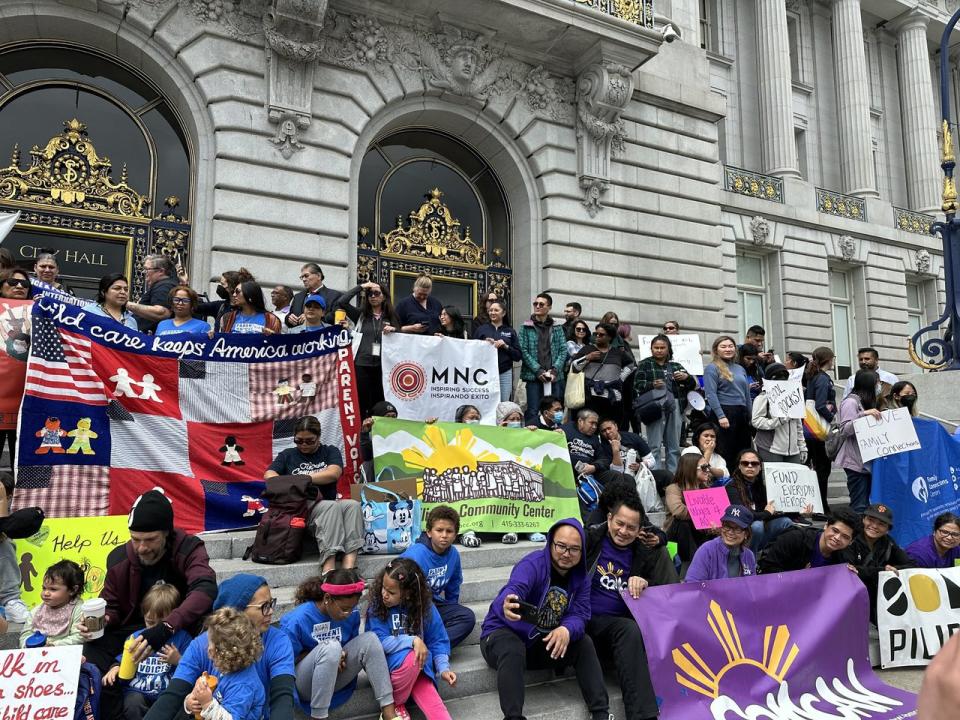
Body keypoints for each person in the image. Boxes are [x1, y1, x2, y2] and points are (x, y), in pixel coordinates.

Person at [85, 489, 217, 720]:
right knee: (92, 648)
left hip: (179, 627)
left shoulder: (189, 548)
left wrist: (166, 627)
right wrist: (104, 619)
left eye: (150, 540)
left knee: (213, 632)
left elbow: (205, 589)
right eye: (135, 540)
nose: (142, 548)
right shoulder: (119, 558)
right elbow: (113, 606)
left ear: (167, 533)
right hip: (134, 628)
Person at [480, 518, 613, 720]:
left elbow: (580, 614)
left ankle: (601, 713)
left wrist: (566, 629)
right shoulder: (533, 564)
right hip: (501, 637)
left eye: (574, 549)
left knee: (584, 642)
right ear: (551, 543)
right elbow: (514, 589)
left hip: (540, 643)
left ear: (582, 551)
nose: (566, 554)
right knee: (512, 647)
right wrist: (506, 604)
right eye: (561, 546)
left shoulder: (582, 578)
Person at [146, 574, 295, 720]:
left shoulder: (278, 641)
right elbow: (173, 695)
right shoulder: (202, 643)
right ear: (236, 613)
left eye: (271, 604)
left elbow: (282, 697)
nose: (270, 611)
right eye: (264, 606)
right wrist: (189, 702)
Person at [585, 488, 675, 720]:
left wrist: (644, 585)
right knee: (627, 630)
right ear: (609, 518)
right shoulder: (589, 541)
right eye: (619, 523)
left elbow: (659, 603)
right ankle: (643, 716)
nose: (623, 531)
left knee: (631, 629)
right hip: (587, 623)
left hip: (623, 628)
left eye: (631, 527)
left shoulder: (645, 553)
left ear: (639, 530)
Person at [279, 571, 401, 720]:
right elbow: (284, 665)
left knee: (370, 640)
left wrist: (340, 655)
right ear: (327, 598)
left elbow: (350, 647)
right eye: (344, 609)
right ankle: (319, 717)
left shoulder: (352, 614)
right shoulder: (297, 620)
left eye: (353, 607)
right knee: (331, 648)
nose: (348, 614)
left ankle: (389, 712)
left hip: (335, 674)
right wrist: (327, 654)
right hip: (304, 684)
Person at [264, 416, 358, 574]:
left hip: (326, 506)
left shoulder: (330, 451)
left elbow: (333, 473)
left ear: (319, 437)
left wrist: (301, 479)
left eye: (309, 441)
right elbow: (269, 475)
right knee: (331, 506)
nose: (304, 445)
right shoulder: (288, 455)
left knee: (353, 505)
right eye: (299, 441)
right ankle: (329, 568)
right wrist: (302, 481)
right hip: (301, 509)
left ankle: (349, 566)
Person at [367, 558, 456, 720]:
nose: (384, 594)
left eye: (391, 592)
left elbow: (438, 640)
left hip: (420, 667)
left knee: (440, 714)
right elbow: (377, 641)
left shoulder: (425, 605)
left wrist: (443, 668)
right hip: (389, 667)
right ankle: (395, 705)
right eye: (383, 588)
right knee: (412, 657)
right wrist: (412, 640)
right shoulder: (377, 605)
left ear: (408, 594)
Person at [101, 584, 193, 720]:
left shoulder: (182, 638)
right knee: (132, 703)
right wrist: (115, 667)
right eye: (150, 622)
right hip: (138, 691)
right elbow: (123, 658)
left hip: (167, 692)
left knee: (180, 706)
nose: (154, 630)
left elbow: (193, 666)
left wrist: (178, 660)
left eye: (160, 624)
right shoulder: (136, 637)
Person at [401, 506, 475, 649]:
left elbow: (453, 586)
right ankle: (423, 647)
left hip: (432, 603)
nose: (444, 535)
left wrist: (452, 608)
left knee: (467, 617)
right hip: (410, 606)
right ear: (429, 532)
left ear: (456, 534)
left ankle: (431, 648)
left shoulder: (453, 554)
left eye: (449, 531)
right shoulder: (415, 555)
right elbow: (398, 590)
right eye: (439, 530)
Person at [184, 607, 265, 720]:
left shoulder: (243, 686)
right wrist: (190, 702)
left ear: (221, 652)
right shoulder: (225, 666)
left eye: (210, 643)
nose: (207, 648)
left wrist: (207, 703)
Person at [335, 281, 399, 418]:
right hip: (361, 364)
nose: (373, 296)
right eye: (370, 294)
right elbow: (342, 302)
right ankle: (362, 432)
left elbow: (402, 337)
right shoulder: (361, 315)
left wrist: (394, 329)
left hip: (382, 366)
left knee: (379, 401)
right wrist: (361, 287)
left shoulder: (391, 316)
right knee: (361, 400)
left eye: (376, 293)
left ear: (384, 297)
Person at [633, 334, 695, 473]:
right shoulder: (645, 363)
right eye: (656, 347)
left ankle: (672, 475)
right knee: (654, 444)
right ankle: (656, 475)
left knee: (673, 444)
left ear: (668, 349)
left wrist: (686, 377)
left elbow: (692, 386)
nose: (659, 350)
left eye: (662, 348)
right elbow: (637, 385)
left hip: (675, 405)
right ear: (651, 349)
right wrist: (652, 385)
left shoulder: (676, 365)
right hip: (654, 405)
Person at [842, 504, 912, 623]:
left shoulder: (888, 543)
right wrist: (882, 571)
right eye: (870, 520)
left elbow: (911, 564)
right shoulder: (850, 538)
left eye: (881, 524)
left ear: (887, 529)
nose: (874, 526)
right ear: (863, 519)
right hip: (850, 597)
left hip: (878, 598)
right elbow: (849, 570)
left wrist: (893, 569)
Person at [724, 450, 796, 553]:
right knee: (757, 526)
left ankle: (769, 555)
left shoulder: (761, 486)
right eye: (745, 463)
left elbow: (774, 511)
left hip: (759, 531)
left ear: (760, 467)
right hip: (740, 531)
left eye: (754, 463)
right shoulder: (732, 486)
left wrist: (798, 511)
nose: (750, 466)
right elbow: (744, 516)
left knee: (786, 522)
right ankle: (749, 560)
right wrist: (766, 513)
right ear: (739, 466)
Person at [570, 322, 635, 425]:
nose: (597, 336)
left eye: (601, 334)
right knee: (589, 426)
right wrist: (587, 358)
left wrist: (621, 378)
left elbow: (632, 365)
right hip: (589, 397)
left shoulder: (618, 353)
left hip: (612, 399)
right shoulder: (587, 349)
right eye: (596, 334)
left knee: (609, 427)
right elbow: (574, 367)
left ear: (610, 337)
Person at [836, 370, 882, 513]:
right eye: (877, 383)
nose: (879, 386)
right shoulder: (850, 402)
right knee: (859, 506)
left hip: (865, 461)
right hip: (855, 462)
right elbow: (845, 429)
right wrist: (864, 414)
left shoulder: (865, 402)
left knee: (866, 505)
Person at [758, 509, 860, 574]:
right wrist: (797, 576)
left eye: (845, 537)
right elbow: (767, 567)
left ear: (851, 541)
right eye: (835, 531)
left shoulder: (843, 558)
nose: (837, 538)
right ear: (826, 525)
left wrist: (850, 576)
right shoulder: (795, 539)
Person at [703, 335, 752, 467]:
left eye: (730, 346)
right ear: (716, 350)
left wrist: (751, 416)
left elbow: (746, 394)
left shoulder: (740, 368)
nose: (728, 349)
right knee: (726, 452)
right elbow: (711, 394)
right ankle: (726, 484)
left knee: (743, 451)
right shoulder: (712, 368)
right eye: (723, 346)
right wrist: (721, 416)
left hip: (741, 413)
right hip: (724, 413)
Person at [520, 292, 568, 425]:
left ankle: (555, 435)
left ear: (549, 307)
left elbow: (563, 350)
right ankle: (531, 438)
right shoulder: (526, 326)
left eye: (541, 304)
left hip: (554, 377)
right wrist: (538, 371)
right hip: (534, 376)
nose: (537, 306)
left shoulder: (557, 327)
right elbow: (523, 350)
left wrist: (554, 370)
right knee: (533, 410)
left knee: (556, 410)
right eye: (535, 304)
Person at [663, 453, 714, 565]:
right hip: (676, 537)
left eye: (708, 466)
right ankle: (697, 564)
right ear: (690, 469)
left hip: (699, 534)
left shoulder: (705, 490)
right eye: (704, 467)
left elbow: (714, 515)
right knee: (683, 523)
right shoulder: (674, 488)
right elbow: (679, 511)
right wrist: (704, 514)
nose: (708, 470)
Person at [803, 346, 837, 513]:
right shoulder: (823, 378)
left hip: (809, 429)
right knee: (823, 470)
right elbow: (821, 405)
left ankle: (816, 504)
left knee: (814, 468)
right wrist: (833, 419)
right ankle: (822, 506)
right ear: (828, 359)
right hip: (819, 431)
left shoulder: (811, 376)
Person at [19, 559, 85, 646]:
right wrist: (27, 645)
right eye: (44, 588)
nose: (46, 593)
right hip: (36, 653)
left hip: (64, 652)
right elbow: (25, 633)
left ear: (73, 590)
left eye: (53, 589)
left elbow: (79, 637)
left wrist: (54, 645)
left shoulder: (78, 610)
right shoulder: (37, 610)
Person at [751, 362, 807, 463]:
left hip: (793, 451)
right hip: (770, 448)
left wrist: (802, 447)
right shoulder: (763, 397)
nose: (782, 379)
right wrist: (778, 421)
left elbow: (798, 425)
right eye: (778, 376)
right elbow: (756, 421)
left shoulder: (793, 397)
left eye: (784, 376)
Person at [685, 505, 757, 582]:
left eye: (737, 529)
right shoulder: (706, 550)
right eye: (727, 526)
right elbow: (692, 584)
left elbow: (752, 588)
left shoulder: (749, 556)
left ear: (746, 534)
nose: (730, 532)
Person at [474, 299, 521, 403]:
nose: (492, 312)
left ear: (503, 313)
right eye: (490, 310)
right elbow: (473, 351)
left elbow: (518, 356)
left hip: (504, 373)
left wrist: (505, 346)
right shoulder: (481, 330)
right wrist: (483, 344)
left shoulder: (510, 331)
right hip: (484, 373)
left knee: (503, 404)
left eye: (496, 310)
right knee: (485, 403)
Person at [128, 254, 177, 333]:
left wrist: (126, 304)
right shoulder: (162, 285)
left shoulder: (164, 286)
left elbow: (162, 312)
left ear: (161, 271)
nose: (144, 272)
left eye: (147, 269)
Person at [286, 263, 341, 328]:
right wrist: (288, 319)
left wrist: (312, 318)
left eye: (306, 276)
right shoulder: (298, 297)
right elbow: (289, 315)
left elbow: (334, 318)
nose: (303, 279)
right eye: (302, 277)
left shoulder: (334, 295)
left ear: (318, 276)